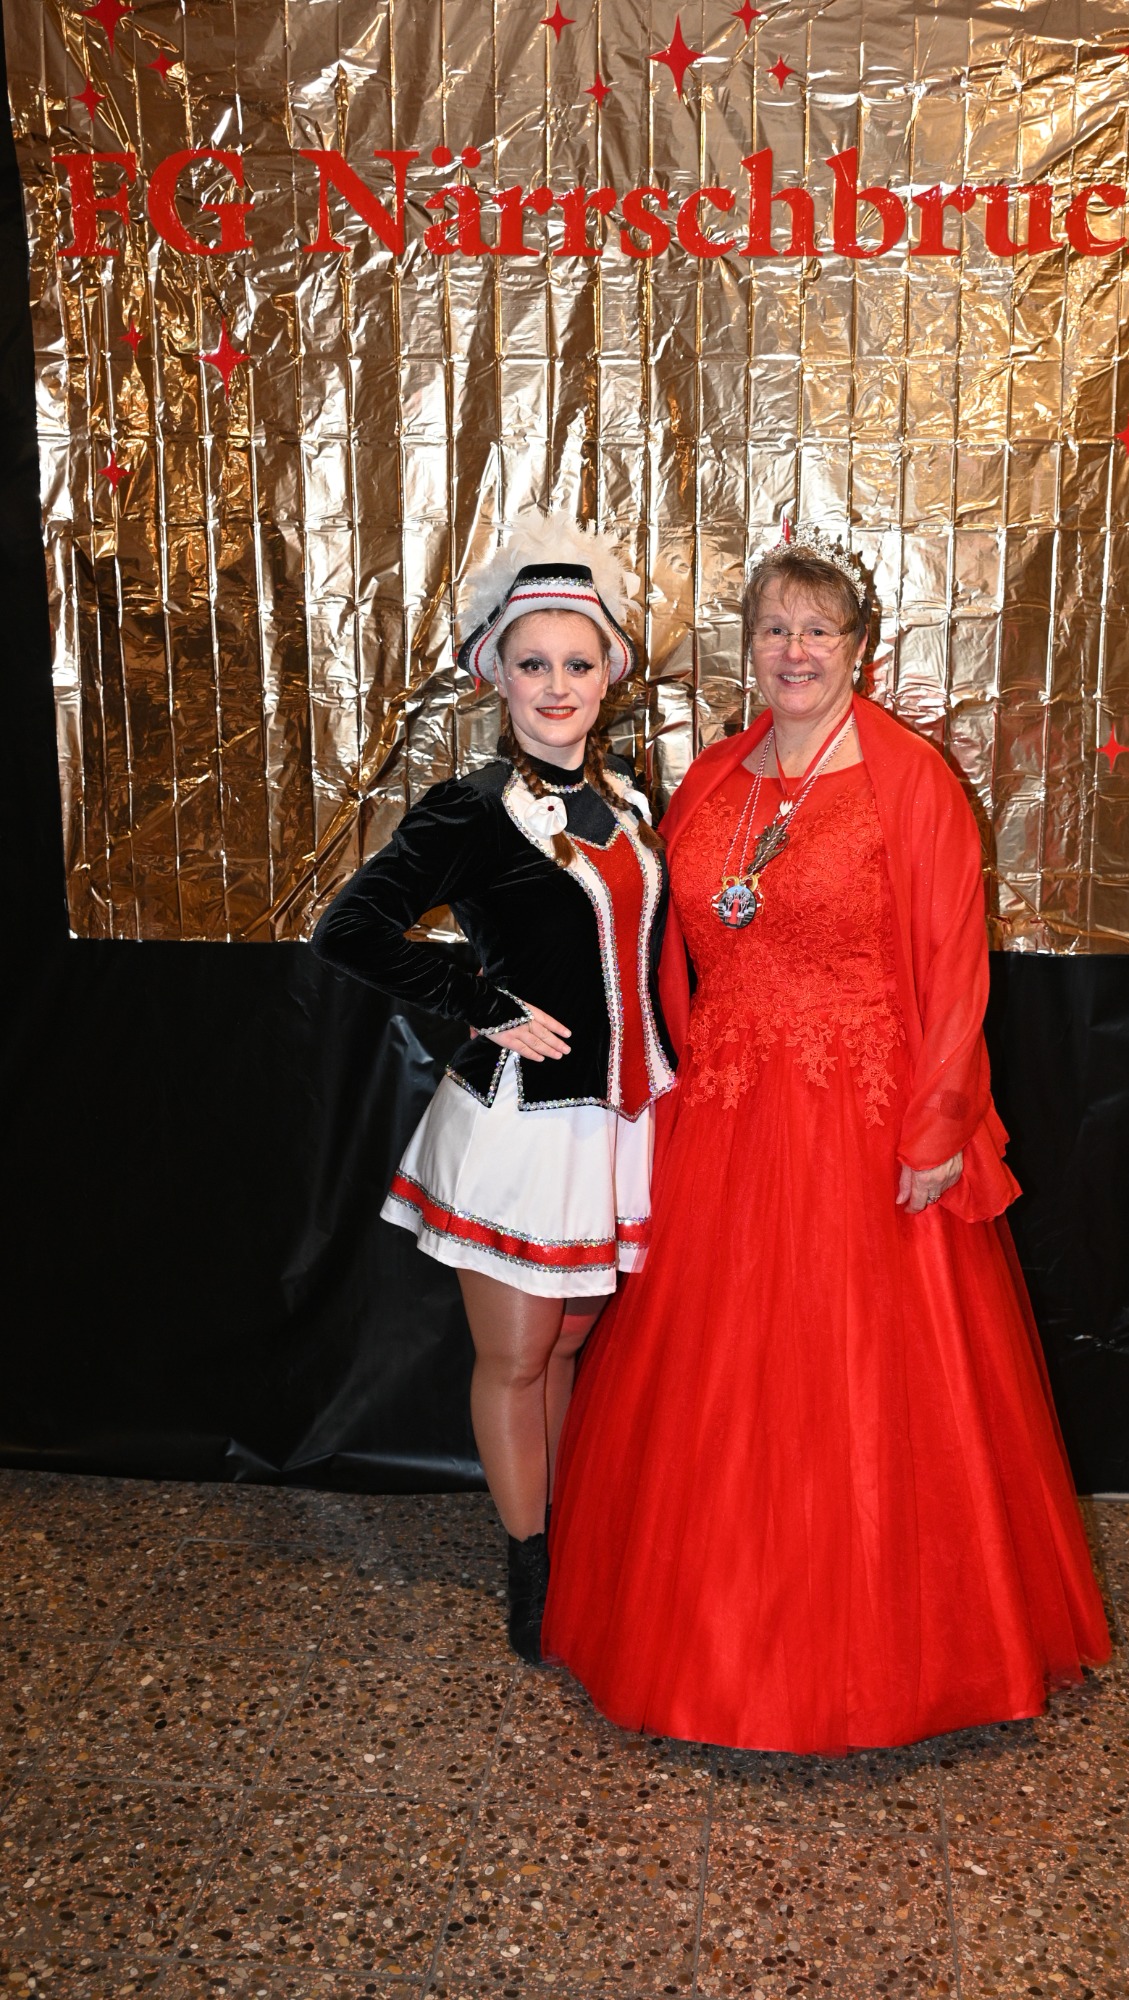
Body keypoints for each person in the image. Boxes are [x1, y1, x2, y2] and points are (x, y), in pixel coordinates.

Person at [542, 526, 1111, 1754]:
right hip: (725, 1114)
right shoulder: (716, 777)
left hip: (864, 1119)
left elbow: (955, 968)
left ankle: (880, 1661)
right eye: (774, 629)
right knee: (717, 1389)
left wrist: (939, 1123)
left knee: (859, 1389)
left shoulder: (912, 780)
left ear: (860, 645)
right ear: (750, 646)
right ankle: (712, 1642)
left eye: (817, 629)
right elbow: (664, 939)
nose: (794, 650)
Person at [311, 522, 675, 1666]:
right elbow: (349, 927)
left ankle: (566, 1537)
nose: (557, 685)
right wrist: (478, 996)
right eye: (533, 663)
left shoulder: (633, 803)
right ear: (496, 674)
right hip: (521, 1129)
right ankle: (531, 1567)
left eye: (578, 662)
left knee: (565, 1347)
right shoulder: (470, 807)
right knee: (517, 1356)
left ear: (609, 674)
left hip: (619, 1125)